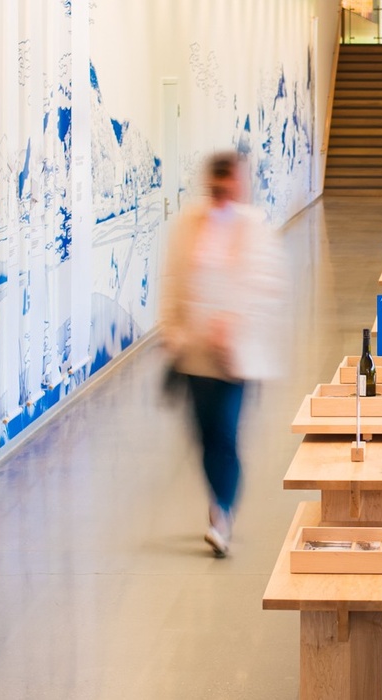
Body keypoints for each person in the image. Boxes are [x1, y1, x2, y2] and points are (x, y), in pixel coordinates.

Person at [160, 151, 283, 557]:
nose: (225, 192)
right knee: (205, 434)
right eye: (218, 185)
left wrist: (235, 323)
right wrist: (172, 331)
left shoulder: (255, 228)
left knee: (226, 433)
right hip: (195, 355)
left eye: (231, 184)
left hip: (234, 359)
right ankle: (218, 501)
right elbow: (173, 281)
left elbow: (266, 287)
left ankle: (221, 514)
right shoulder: (188, 225)